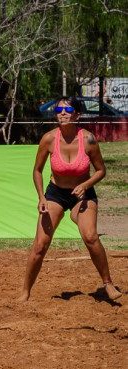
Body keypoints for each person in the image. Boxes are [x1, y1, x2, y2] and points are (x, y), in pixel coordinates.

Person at [20, 96, 121, 302]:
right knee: (40, 245)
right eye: (59, 109)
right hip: (55, 193)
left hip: (82, 194)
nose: (62, 113)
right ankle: (25, 291)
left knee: (91, 236)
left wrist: (85, 185)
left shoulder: (89, 140)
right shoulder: (49, 139)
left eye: (68, 110)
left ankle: (108, 283)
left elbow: (101, 171)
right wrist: (41, 196)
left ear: (77, 114)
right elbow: (37, 171)